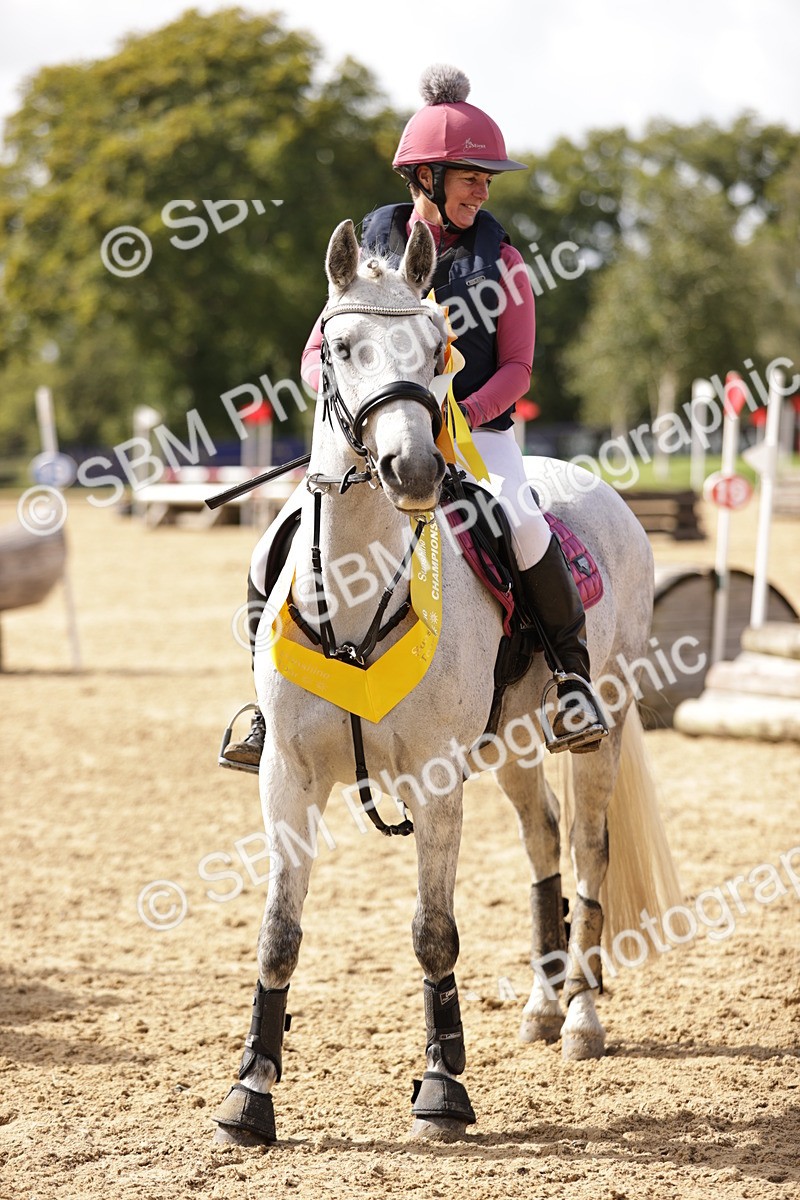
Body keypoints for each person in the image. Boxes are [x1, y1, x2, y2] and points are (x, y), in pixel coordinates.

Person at [221, 65, 606, 767]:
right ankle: (261, 707)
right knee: (271, 543)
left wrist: (450, 420)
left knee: (520, 524)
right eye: (470, 175)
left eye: (488, 179)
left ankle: (572, 683)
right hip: (370, 439)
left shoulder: (507, 262)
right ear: (426, 176)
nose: (483, 189)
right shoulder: (366, 258)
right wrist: (353, 414)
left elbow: (518, 369)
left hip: (480, 434)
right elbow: (316, 355)